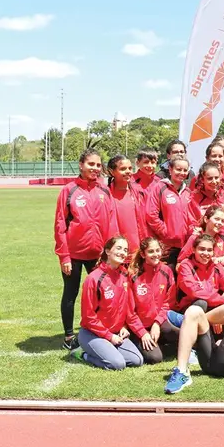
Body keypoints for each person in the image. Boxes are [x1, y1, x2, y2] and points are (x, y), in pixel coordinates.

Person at [54, 148, 118, 350]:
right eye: (91, 164)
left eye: (99, 165)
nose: (95, 168)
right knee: (71, 293)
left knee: (102, 293)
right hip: (73, 254)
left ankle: (101, 331)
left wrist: (111, 252)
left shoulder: (104, 191)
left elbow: (111, 222)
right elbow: (60, 225)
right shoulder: (69, 190)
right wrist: (64, 255)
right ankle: (68, 336)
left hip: (98, 254)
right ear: (81, 165)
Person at [70, 236, 143, 370]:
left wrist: (125, 327)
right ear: (108, 251)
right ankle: (83, 353)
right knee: (117, 364)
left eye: (125, 250)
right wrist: (109, 336)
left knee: (137, 360)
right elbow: (88, 317)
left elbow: (128, 308)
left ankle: (105, 350)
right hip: (92, 333)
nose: (122, 252)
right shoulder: (93, 279)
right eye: (119, 248)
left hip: (115, 332)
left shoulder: (125, 275)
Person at [127, 237, 178, 364]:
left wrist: (157, 322)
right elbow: (129, 311)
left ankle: (160, 341)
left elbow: (168, 302)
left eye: (157, 250)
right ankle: (135, 343)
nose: (155, 254)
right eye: (151, 251)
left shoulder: (166, 271)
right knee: (155, 358)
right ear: (143, 254)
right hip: (139, 326)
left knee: (184, 336)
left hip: (158, 322)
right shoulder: (133, 275)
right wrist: (142, 333)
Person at [170, 234, 224, 313]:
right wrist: (221, 299)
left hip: (214, 306)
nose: (206, 253)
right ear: (193, 249)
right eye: (202, 249)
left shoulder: (216, 266)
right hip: (190, 308)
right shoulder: (186, 265)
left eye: (209, 250)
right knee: (201, 303)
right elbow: (194, 291)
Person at [144, 157, 191, 273]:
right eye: (178, 169)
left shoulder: (188, 192)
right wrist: (166, 232)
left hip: (185, 245)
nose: (182, 173)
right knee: (165, 279)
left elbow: (192, 217)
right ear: (170, 169)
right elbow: (151, 215)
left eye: (185, 170)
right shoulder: (160, 188)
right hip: (167, 246)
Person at [107, 155, 147, 262]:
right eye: (123, 169)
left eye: (130, 168)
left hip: (137, 251)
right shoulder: (106, 194)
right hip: (117, 251)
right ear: (112, 171)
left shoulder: (139, 192)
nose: (128, 171)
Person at [186, 162, 224, 237]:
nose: (214, 181)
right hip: (205, 244)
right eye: (210, 178)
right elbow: (192, 225)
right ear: (202, 179)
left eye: (216, 178)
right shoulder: (194, 199)